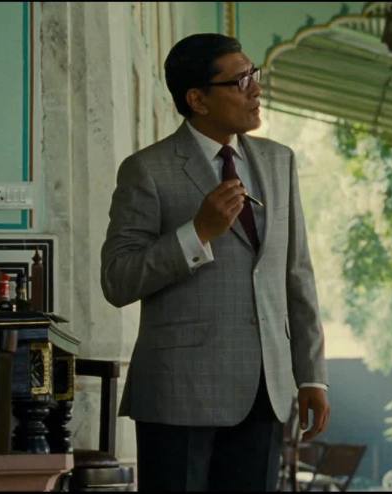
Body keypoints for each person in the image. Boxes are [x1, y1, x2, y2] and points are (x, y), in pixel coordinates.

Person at [100, 33, 330, 492]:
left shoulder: (279, 162)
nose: (256, 89)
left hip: (265, 391)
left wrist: (312, 377)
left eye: (254, 75)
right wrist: (197, 233)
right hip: (179, 392)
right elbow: (118, 279)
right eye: (241, 81)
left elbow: (297, 274)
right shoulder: (147, 170)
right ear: (197, 99)